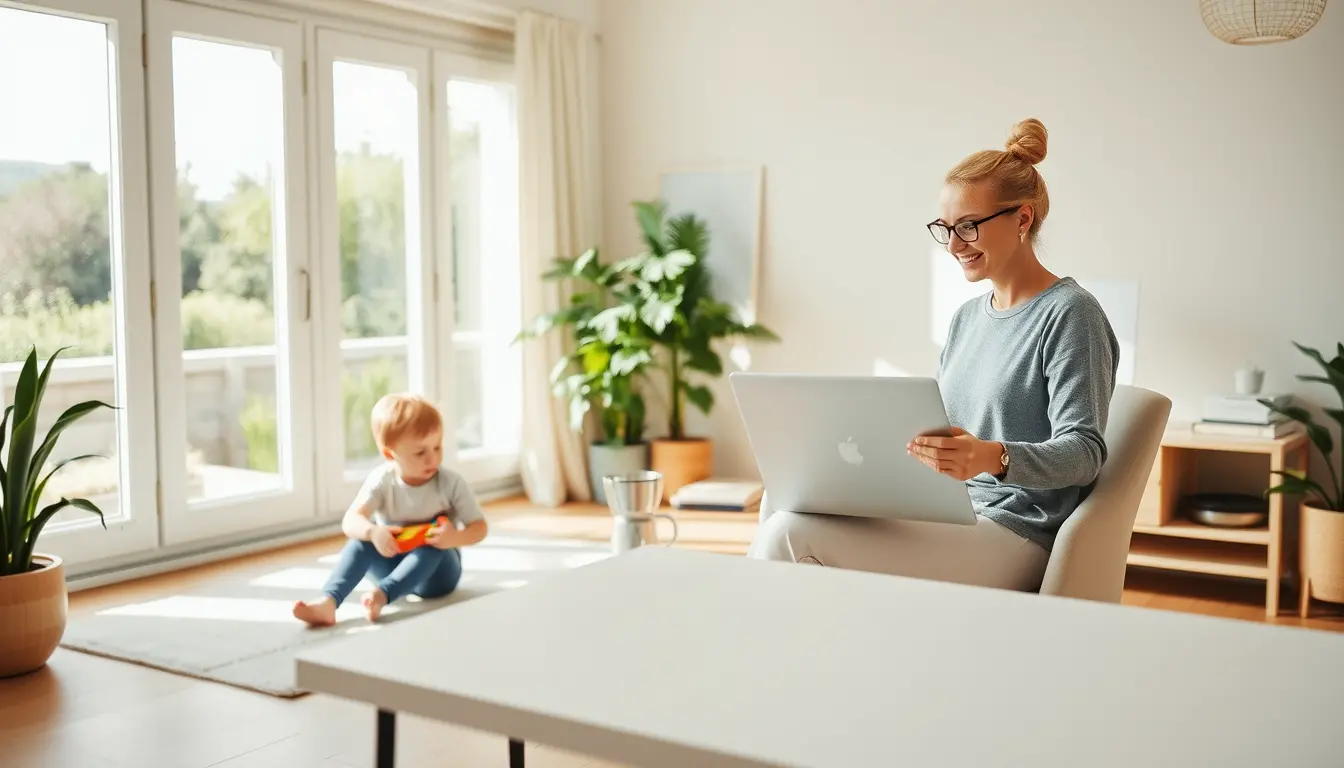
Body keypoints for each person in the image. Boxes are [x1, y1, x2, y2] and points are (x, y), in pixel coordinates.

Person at [747, 118, 1119, 592]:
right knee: (784, 505)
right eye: (946, 228)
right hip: (950, 513)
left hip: (1015, 532)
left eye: (968, 226)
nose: (955, 245)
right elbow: (936, 428)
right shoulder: (967, 318)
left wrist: (992, 457)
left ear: (1022, 219)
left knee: (789, 535)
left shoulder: (1071, 314)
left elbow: (1084, 453)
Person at [293, 392, 489, 626]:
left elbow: (479, 527)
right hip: (391, 561)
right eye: (420, 452)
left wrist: (454, 537)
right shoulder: (382, 480)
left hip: (437, 576)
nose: (432, 459)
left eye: (437, 447)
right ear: (389, 454)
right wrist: (373, 533)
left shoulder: (450, 483)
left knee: (431, 545)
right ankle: (328, 602)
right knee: (359, 541)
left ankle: (382, 595)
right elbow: (351, 521)